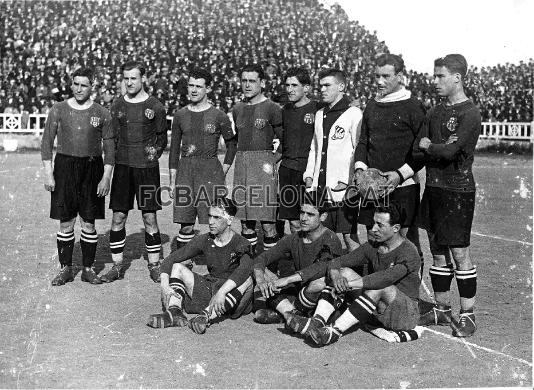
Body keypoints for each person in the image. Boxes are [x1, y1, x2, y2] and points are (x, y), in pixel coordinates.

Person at [286, 203, 421, 346]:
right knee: (344, 273)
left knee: (380, 286)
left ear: (396, 228)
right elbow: (336, 262)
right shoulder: (374, 245)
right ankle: (317, 322)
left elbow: (384, 279)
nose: (373, 229)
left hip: (405, 314)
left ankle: (333, 332)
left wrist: (349, 285)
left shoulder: (409, 252)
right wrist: (337, 276)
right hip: (378, 308)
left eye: (380, 225)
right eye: (373, 223)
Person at [415, 54, 481, 338]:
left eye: (441, 76)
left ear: (458, 77)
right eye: (435, 76)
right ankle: (441, 309)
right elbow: (423, 148)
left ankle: (468, 314)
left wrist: (433, 146)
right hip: (434, 188)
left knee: (459, 252)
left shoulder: (470, 113)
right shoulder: (434, 112)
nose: (436, 81)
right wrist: (435, 147)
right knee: (437, 251)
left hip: (458, 189)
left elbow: (450, 152)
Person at [41, 67, 114, 286]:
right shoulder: (59, 109)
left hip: (92, 168)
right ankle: (65, 268)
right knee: (66, 221)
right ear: (71, 84)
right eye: (76, 84)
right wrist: (48, 174)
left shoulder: (102, 113)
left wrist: (106, 177)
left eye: (84, 85)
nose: (79, 89)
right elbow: (46, 144)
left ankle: (88, 269)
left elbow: (110, 150)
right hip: (64, 166)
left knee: (89, 222)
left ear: (92, 86)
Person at [354, 54, 426, 274]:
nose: (379, 81)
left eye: (385, 76)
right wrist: (359, 169)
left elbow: (422, 151)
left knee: (406, 244)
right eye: (377, 76)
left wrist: (400, 174)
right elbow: (363, 142)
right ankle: (377, 298)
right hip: (372, 190)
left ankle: (409, 300)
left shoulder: (413, 106)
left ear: (400, 77)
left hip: (403, 188)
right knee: (375, 240)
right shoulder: (372, 105)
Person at [102, 60, 168, 283]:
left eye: (134, 78)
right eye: (126, 78)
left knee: (150, 217)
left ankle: (155, 264)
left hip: (147, 170)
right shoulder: (118, 105)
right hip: (122, 168)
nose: (130, 82)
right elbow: (112, 137)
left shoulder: (156, 106)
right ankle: (117, 265)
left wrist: (151, 155)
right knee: (118, 217)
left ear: (144, 80)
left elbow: (162, 138)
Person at [147, 198, 253, 334]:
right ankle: (175, 312)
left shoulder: (241, 243)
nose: (211, 222)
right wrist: (164, 284)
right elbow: (171, 259)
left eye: (217, 217)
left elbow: (245, 270)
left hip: (235, 299)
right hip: (212, 290)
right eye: (209, 216)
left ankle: (205, 316)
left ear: (229, 220)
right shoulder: (205, 239)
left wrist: (222, 292)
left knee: (247, 278)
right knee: (177, 267)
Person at [169, 68, 236, 250]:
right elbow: (174, 149)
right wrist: (173, 180)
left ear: (207, 88)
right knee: (186, 223)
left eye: (198, 86)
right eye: (191, 85)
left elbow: (232, 144)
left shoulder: (219, 116)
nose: (194, 90)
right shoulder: (180, 115)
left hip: (210, 171)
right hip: (185, 172)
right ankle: (184, 263)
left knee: (215, 220)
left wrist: (223, 170)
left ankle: (218, 262)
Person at [253, 192, 343, 325]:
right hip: (299, 292)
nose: (303, 218)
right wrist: (261, 279)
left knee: (318, 283)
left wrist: (286, 280)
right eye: (302, 213)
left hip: (321, 292)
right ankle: (294, 315)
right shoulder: (295, 238)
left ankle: (289, 314)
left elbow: (321, 267)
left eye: (310, 214)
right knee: (269, 285)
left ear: (323, 216)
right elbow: (263, 257)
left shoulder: (331, 239)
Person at [303, 68, 362, 252]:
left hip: (343, 188)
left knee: (349, 236)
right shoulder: (320, 114)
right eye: (320, 86)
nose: (322, 89)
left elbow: (359, 149)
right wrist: (309, 176)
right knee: (320, 233)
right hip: (320, 187)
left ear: (341, 86)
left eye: (327, 85)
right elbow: (314, 148)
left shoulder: (353, 113)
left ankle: (358, 274)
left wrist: (352, 184)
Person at [231, 64, 283, 255]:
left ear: (262, 82)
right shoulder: (238, 109)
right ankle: (249, 267)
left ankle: (272, 267)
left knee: (268, 224)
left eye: (252, 81)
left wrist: (271, 161)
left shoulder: (272, 108)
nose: (247, 85)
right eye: (244, 80)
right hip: (242, 167)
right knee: (245, 223)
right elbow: (238, 139)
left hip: (262, 170)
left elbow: (285, 141)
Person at [278, 67, 319, 233]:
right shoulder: (284, 111)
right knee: (294, 221)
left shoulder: (319, 108)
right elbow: (283, 143)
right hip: (287, 170)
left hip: (308, 172)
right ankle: (298, 255)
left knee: (311, 218)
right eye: (287, 85)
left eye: (294, 85)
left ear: (307, 88)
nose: (289, 89)